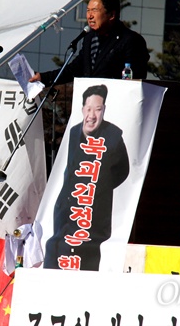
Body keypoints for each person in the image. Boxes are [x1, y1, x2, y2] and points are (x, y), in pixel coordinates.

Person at [44, 84, 130, 271]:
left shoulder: (113, 136)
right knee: (56, 254)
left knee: (88, 261)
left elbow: (123, 170)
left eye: (98, 109)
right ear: (82, 109)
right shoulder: (74, 132)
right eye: (89, 109)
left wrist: (100, 187)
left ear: (104, 110)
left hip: (93, 215)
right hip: (67, 212)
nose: (92, 115)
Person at [30, 0, 150, 86]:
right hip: (89, 105)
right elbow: (74, 69)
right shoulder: (89, 38)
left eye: (94, 10)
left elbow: (135, 81)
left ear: (112, 15)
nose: (90, 16)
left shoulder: (131, 40)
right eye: (88, 10)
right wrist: (43, 77)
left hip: (116, 106)